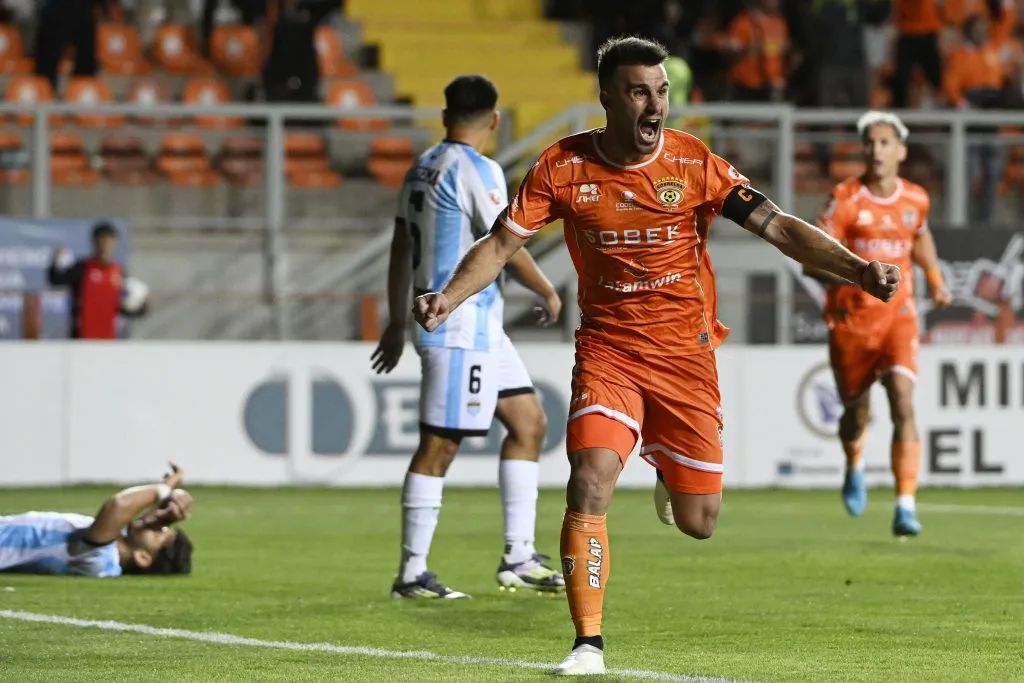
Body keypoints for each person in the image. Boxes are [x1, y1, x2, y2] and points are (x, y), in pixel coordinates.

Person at [412, 36, 901, 674]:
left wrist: (857, 270)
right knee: (588, 479)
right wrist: (448, 297)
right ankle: (588, 643)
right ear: (608, 97)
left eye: (663, 90)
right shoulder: (563, 166)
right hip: (608, 353)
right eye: (640, 91)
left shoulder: (695, 163)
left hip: (685, 360)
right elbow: (501, 243)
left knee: (701, 522)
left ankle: (671, 477)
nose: (656, 105)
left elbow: (780, 227)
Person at [371, 74, 566, 600]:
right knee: (440, 444)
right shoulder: (477, 169)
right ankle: (412, 573)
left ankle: (519, 556)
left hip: (478, 327)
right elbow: (505, 241)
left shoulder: (421, 167)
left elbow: (397, 248)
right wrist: (547, 288)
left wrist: (395, 319)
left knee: (530, 423)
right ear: (495, 120)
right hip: (457, 325)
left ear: (444, 114)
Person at [804, 111, 952, 537]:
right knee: (856, 413)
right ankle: (854, 461)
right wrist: (857, 276)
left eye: (885, 142)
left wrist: (936, 280)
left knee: (904, 402)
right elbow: (812, 257)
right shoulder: (845, 199)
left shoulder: (916, 199)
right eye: (870, 142)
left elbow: (919, 236)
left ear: (901, 151)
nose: (876, 149)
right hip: (851, 321)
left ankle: (906, 504)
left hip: (899, 318)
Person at [0, 463, 194, 577]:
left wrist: (164, 492)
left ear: (142, 557)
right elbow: (134, 515)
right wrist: (167, 489)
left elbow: (120, 505)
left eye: (160, 533)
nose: (157, 523)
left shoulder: (100, 558)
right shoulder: (114, 544)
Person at [47, 221, 148, 340]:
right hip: (82, 338)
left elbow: (122, 307)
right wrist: (54, 263)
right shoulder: (83, 268)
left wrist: (141, 307)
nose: (105, 245)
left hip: (107, 340)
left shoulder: (118, 272)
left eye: (109, 241)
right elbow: (56, 280)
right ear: (95, 242)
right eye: (102, 240)